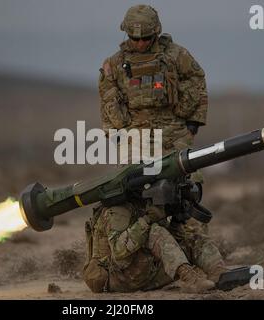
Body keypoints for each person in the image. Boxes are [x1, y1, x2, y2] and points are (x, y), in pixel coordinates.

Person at [82, 4, 227, 294]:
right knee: (141, 201)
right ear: (126, 35)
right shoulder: (112, 66)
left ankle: (210, 264)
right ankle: (160, 261)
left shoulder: (176, 56)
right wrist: (122, 138)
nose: (140, 43)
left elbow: (198, 82)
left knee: (185, 200)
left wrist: (191, 125)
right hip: (136, 139)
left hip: (173, 134)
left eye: (145, 38)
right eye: (135, 39)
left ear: (155, 33)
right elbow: (109, 107)